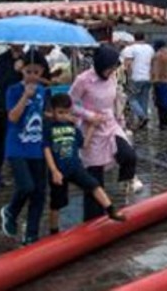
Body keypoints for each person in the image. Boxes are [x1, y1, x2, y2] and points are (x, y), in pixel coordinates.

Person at [70, 44, 141, 219]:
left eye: (113, 68)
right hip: (92, 130)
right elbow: (70, 103)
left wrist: (121, 120)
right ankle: (92, 220)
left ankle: (126, 183)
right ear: (100, 65)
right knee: (94, 179)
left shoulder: (112, 78)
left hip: (110, 125)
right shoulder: (83, 80)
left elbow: (115, 101)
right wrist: (88, 115)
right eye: (108, 68)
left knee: (128, 155)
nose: (111, 72)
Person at [44, 93, 126, 234]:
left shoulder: (73, 129)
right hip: (59, 170)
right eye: (60, 112)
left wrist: (92, 127)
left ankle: (111, 209)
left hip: (75, 167)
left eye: (66, 112)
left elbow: (84, 144)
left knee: (93, 184)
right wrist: (54, 171)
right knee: (56, 203)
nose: (64, 116)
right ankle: (54, 230)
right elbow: (46, 149)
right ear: (53, 112)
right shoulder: (49, 128)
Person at [0, 51, 51, 245]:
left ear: (42, 72)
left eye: (36, 72)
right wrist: (25, 96)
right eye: (28, 71)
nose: (32, 76)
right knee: (26, 185)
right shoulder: (13, 90)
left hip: (36, 147)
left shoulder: (43, 92)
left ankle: (32, 234)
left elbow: (44, 116)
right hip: (16, 146)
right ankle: (11, 211)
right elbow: (13, 117)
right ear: (22, 70)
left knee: (39, 192)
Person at [121, 32, 155, 130]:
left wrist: (128, 77)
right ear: (144, 37)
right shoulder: (150, 49)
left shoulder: (130, 49)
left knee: (132, 99)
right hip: (147, 77)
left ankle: (142, 117)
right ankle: (143, 122)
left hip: (135, 77)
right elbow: (152, 63)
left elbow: (127, 65)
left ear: (134, 38)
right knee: (144, 100)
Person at [151, 40, 167, 129]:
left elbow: (156, 69)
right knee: (166, 102)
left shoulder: (158, 56)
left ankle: (164, 121)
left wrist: (154, 80)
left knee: (160, 103)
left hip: (160, 81)